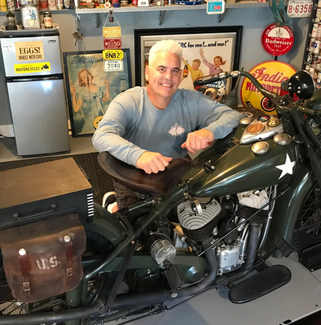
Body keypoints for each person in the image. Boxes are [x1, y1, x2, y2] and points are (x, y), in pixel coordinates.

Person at [93, 39, 243, 212]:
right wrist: (139, 156)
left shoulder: (191, 100)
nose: (168, 77)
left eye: (175, 71)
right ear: (148, 72)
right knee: (137, 233)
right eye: (161, 69)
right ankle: (114, 204)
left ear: (181, 76)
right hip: (131, 178)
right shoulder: (129, 101)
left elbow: (233, 116)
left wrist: (209, 132)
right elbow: (101, 135)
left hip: (173, 177)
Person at [70, 68, 111, 135]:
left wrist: (107, 87)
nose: (87, 78)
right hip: (92, 118)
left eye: (87, 75)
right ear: (82, 81)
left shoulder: (99, 88)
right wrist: (73, 94)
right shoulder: (82, 93)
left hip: (104, 114)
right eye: (83, 78)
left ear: (90, 76)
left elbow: (106, 100)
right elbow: (76, 108)